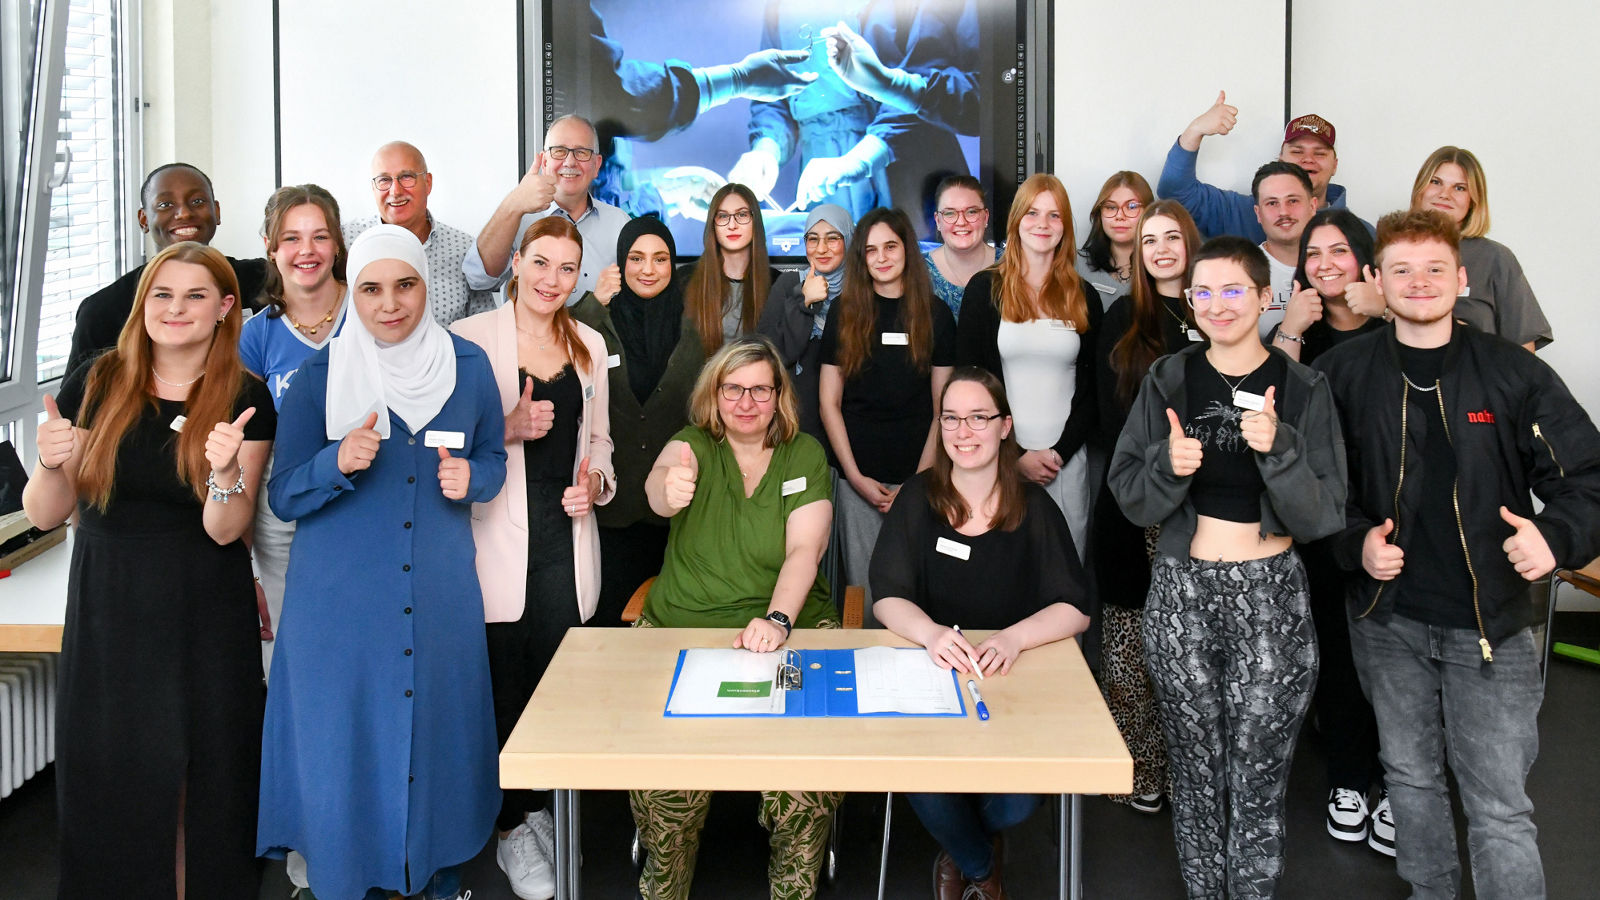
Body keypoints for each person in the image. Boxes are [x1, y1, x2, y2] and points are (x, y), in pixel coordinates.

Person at [1314, 210, 1600, 900]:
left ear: (1462, 279)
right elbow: (1313, 493)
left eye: (1435, 268)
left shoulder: (1514, 374)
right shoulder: (1339, 373)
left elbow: (1586, 479)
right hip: (1388, 621)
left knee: (1501, 807)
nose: (1419, 282)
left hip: (1494, 625)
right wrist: (1355, 544)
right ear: (1375, 280)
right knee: (1410, 780)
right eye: (1402, 269)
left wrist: (1553, 537)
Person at [257, 225, 506, 900]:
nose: (389, 304)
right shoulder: (319, 377)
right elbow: (283, 494)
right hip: (339, 607)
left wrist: (473, 481)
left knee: (435, 739)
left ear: (428, 286)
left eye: (405, 285)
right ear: (351, 293)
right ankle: (345, 877)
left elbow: (493, 459)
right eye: (370, 288)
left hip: (438, 594)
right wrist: (334, 463)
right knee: (349, 748)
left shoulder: (469, 368)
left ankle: (435, 872)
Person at [24, 241, 275, 897]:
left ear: (226, 307)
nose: (176, 309)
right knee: (109, 781)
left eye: (196, 296)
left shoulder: (245, 396)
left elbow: (226, 528)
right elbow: (48, 513)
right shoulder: (96, 380)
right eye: (162, 294)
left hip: (203, 610)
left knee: (203, 783)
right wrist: (50, 463)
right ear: (142, 305)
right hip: (109, 607)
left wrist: (224, 474)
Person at [1108, 236, 1346, 899]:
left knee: (1258, 774)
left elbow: (1325, 512)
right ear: (1189, 302)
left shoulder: (1303, 387)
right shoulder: (1169, 378)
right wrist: (1168, 466)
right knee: (1195, 771)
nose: (1218, 304)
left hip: (1271, 600)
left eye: (1233, 289)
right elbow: (1128, 492)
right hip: (1182, 595)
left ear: (1265, 297)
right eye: (1203, 292)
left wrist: (1281, 450)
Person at [632, 337, 840, 900]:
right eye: (733, 389)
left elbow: (805, 551)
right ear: (714, 394)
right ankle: (664, 880)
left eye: (759, 389)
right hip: (683, 627)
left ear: (778, 397)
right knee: (664, 779)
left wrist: (777, 619)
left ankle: (792, 885)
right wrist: (667, 490)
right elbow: (659, 485)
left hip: (788, 629)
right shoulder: (692, 444)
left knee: (803, 774)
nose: (746, 401)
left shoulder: (805, 456)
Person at [871, 367, 1091, 900]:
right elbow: (885, 595)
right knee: (925, 779)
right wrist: (928, 634)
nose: (963, 432)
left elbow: (1075, 608)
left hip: (1011, 679)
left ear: (1004, 426)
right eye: (951, 419)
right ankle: (978, 864)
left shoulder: (1034, 506)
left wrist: (1014, 638)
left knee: (1020, 799)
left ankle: (962, 841)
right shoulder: (918, 497)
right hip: (933, 674)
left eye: (978, 418)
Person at [452, 216, 615, 900]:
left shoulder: (589, 343)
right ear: (515, 263)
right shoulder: (468, 340)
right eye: (540, 263)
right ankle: (512, 828)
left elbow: (599, 443)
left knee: (557, 683)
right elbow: (439, 443)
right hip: (493, 541)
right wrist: (508, 431)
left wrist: (596, 486)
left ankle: (540, 809)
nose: (552, 280)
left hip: (565, 539)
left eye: (566, 269)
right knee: (501, 687)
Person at [1271, 207, 1393, 851]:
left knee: (1397, 653)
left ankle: (1398, 784)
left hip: (1394, 515)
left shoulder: (1400, 326)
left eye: (1339, 252)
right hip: (1321, 517)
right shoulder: (1303, 336)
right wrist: (1289, 333)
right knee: (1339, 651)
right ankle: (1349, 777)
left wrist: (1390, 309)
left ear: (1364, 260)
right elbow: (1272, 416)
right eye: (1313, 255)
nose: (1324, 264)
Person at [1088, 198, 1202, 814]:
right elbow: (1112, 417)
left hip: (1202, 511)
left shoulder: (1216, 310)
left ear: (1190, 242)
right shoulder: (1120, 320)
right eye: (1149, 239)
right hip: (1133, 502)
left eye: (1171, 237)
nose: (1159, 248)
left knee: (1190, 652)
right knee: (1130, 646)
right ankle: (1141, 768)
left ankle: (1192, 775)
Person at [819, 206, 956, 622]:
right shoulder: (844, 313)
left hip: (922, 478)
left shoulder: (935, 314)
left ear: (907, 250)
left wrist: (918, 481)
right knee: (864, 592)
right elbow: (829, 404)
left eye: (890, 246)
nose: (881, 257)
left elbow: (942, 410)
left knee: (917, 591)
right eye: (870, 250)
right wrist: (856, 478)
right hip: (858, 480)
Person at [572, 216, 707, 627]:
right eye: (636, 258)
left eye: (660, 259)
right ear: (619, 263)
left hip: (679, 509)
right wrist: (595, 301)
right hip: (614, 507)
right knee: (612, 620)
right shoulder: (599, 321)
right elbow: (564, 343)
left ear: (673, 265)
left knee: (672, 624)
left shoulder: (696, 327)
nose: (648, 269)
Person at [238, 184, 349, 679]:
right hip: (280, 511)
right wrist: (247, 570)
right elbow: (249, 446)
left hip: (359, 497)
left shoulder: (372, 311)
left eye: (319, 236)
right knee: (294, 648)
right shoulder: (255, 335)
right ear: (270, 245)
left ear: (338, 244)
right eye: (291, 238)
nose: (307, 251)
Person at [957, 173, 1099, 557]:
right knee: (1002, 576)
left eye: (1054, 216)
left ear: (1065, 227)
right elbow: (971, 384)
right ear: (1017, 220)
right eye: (1033, 213)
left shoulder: (1084, 297)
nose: (1042, 224)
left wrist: (1058, 455)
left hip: (1064, 464)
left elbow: (1092, 390)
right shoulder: (984, 290)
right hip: (999, 460)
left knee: (1065, 575)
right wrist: (1015, 456)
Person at [66, 162, 268, 377]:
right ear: (144, 220)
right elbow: (79, 404)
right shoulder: (103, 310)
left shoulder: (261, 281)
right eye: (165, 205)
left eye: (197, 201)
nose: (183, 213)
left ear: (216, 211)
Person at [1391, 146, 1550, 350]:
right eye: (1435, 182)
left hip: (1480, 378)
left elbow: (1523, 354)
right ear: (1420, 189)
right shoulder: (1390, 250)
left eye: (1459, 188)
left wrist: (1387, 312)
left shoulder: (1495, 258)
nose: (1444, 194)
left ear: (1473, 200)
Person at [466, 115, 631, 300]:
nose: (570, 162)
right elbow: (477, 280)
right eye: (559, 151)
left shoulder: (620, 223)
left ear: (597, 165)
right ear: (544, 162)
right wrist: (513, 204)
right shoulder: (516, 216)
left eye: (582, 152)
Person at [1158, 95, 1364, 242]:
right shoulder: (1241, 213)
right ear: (1280, 159)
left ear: (1335, 165)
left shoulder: (1361, 233)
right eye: (1297, 151)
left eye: (1319, 153)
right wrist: (1195, 131)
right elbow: (1175, 192)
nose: (1308, 159)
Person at [344, 141, 495, 326]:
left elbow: (484, 329)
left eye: (406, 177)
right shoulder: (347, 242)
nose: (395, 191)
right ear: (373, 188)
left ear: (428, 183)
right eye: (384, 180)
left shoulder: (465, 250)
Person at [758, 203, 855, 443]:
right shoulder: (788, 284)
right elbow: (773, 355)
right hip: (795, 425)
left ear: (849, 241)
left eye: (833, 239)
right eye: (813, 239)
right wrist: (805, 300)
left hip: (852, 423)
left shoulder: (861, 291)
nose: (821, 249)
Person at [684, 182, 779, 355]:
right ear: (712, 223)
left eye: (742, 215)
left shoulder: (777, 284)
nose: (732, 225)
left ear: (755, 220)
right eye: (722, 216)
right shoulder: (685, 279)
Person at [1250, 161, 1319, 337]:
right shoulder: (1242, 271)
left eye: (1293, 201)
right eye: (1272, 203)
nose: (1283, 212)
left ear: (1313, 206)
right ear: (1258, 213)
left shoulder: (1339, 265)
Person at [921, 174, 998, 319]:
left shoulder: (1011, 265)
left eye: (971, 212)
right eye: (950, 213)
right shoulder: (917, 270)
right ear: (938, 220)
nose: (961, 222)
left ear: (985, 217)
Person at [1077, 171, 1155, 308]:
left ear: (1149, 212)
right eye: (1111, 207)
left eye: (1132, 207)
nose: (1119, 216)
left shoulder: (1161, 265)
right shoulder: (1075, 264)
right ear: (1099, 214)